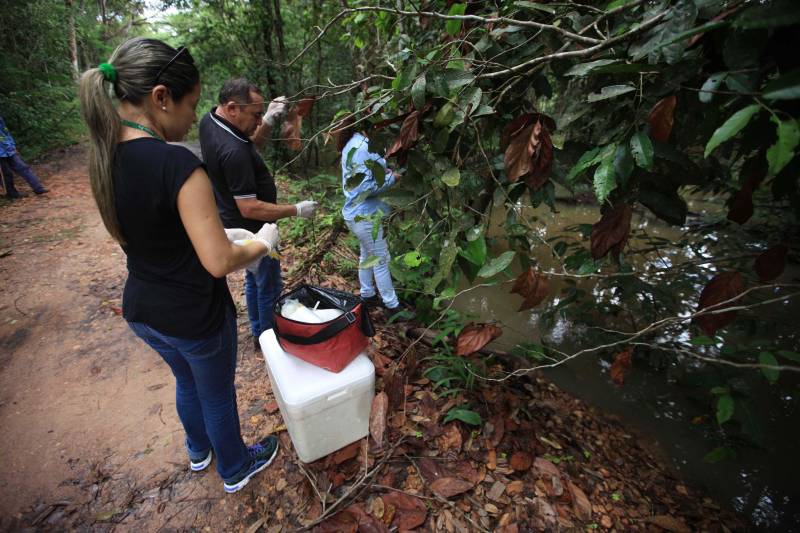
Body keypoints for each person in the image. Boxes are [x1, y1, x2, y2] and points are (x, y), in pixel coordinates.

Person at [78, 37, 280, 494]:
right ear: (161, 97)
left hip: (143, 312)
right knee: (216, 394)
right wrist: (263, 243)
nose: (194, 117)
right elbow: (218, 262)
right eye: (190, 104)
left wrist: (216, 232)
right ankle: (234, 468)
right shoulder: (177, 164)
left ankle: (197, 451)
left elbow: (155, 231)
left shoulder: (105, 156)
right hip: (194, 317)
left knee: (186, 380)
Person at [199, 78, 317, 350]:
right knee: (269, 285)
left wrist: (268, 119)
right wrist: (296, 210)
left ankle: (257, 333)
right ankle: (270, 341)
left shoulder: (211, 121)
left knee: (254, 279)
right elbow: (249, 206)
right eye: (254, 115)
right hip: (255, 229)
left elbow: (250, 143)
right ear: (232, 108)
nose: (256, 122)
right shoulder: (233, 150)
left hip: (236, 224)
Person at [337, 116, 413, 321]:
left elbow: (365, 177)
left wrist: (383, 172)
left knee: (367, 255)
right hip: (366, 215)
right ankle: (392, 306)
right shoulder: (362, 146)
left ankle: (367, 295)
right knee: (380, 259)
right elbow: (364, 188)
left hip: (358, 214)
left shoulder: (354, 143)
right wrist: (392, 178)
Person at [0, 115, 48, 198]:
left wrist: (12, 145)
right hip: (1, 153)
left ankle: (38, 188)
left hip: (8, 149)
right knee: (6, 174)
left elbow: (6, 132)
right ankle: (11, 194)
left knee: (23, 168)